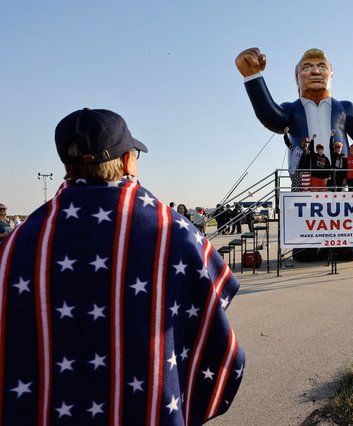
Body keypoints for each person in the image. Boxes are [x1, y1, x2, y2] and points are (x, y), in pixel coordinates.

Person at [0, 108, 244, 424]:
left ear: (66, 164)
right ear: (128, 161)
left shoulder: (16, 243)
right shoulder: (174, 233)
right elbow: (217, 338)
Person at [235, 47, 353, 184]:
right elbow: (270, 117)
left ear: (331, 75)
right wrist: (252, 77)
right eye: (307, 67)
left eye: (322, 67)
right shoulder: (291, 109)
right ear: (297, 78)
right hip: (303, 178)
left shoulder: (345, 108)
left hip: (339, 176)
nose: (315, 72)